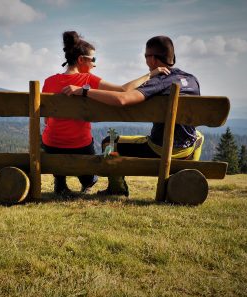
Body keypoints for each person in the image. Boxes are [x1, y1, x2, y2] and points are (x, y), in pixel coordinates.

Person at [62, 35, 203, 197]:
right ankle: (190, 170)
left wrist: (84, 90)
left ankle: (117, 189)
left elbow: (123, 99)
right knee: (198, 135)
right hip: (188, 147)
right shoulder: (192, 80)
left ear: (152, 59)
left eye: (145, 57)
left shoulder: (159, 81)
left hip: (160, 149)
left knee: (109, 142)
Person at [42, 31, 168, 197]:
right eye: (93, 59)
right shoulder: (88, 79)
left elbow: (46, 119)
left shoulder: (49, 81)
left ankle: (60, 181)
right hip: (79, 146)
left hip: (51, 145)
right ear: (81, 60)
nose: (95, 64)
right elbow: (124, 90)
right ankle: (87, 181)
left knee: (54, 135)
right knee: (90, 178)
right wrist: (151, 74)